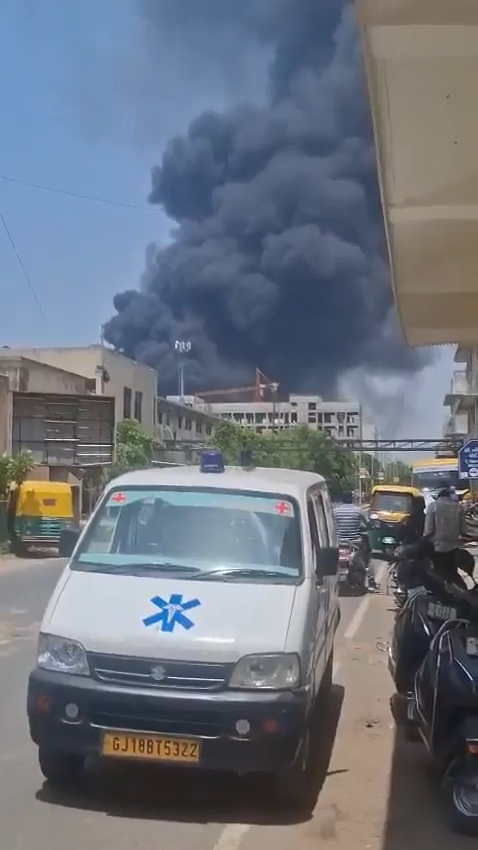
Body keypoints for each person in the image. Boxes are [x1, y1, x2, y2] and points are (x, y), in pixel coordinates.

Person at [423, 481, 467, 585]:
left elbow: (428, 529)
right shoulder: (458, 507)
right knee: (452, 572)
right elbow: (464, 530)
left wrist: (423, 539)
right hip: (453, 547)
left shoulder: (432, 506)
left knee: (436, 573)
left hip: (436, 547)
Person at [333, 491, 376, 590]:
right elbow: (368, 523)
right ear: (352, 499)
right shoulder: (358, 510)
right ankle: (371, 580)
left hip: (339, 541)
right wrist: (369, 526)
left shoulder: (336, 511)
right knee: (368, 557)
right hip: (355, 542)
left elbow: (332, 525)